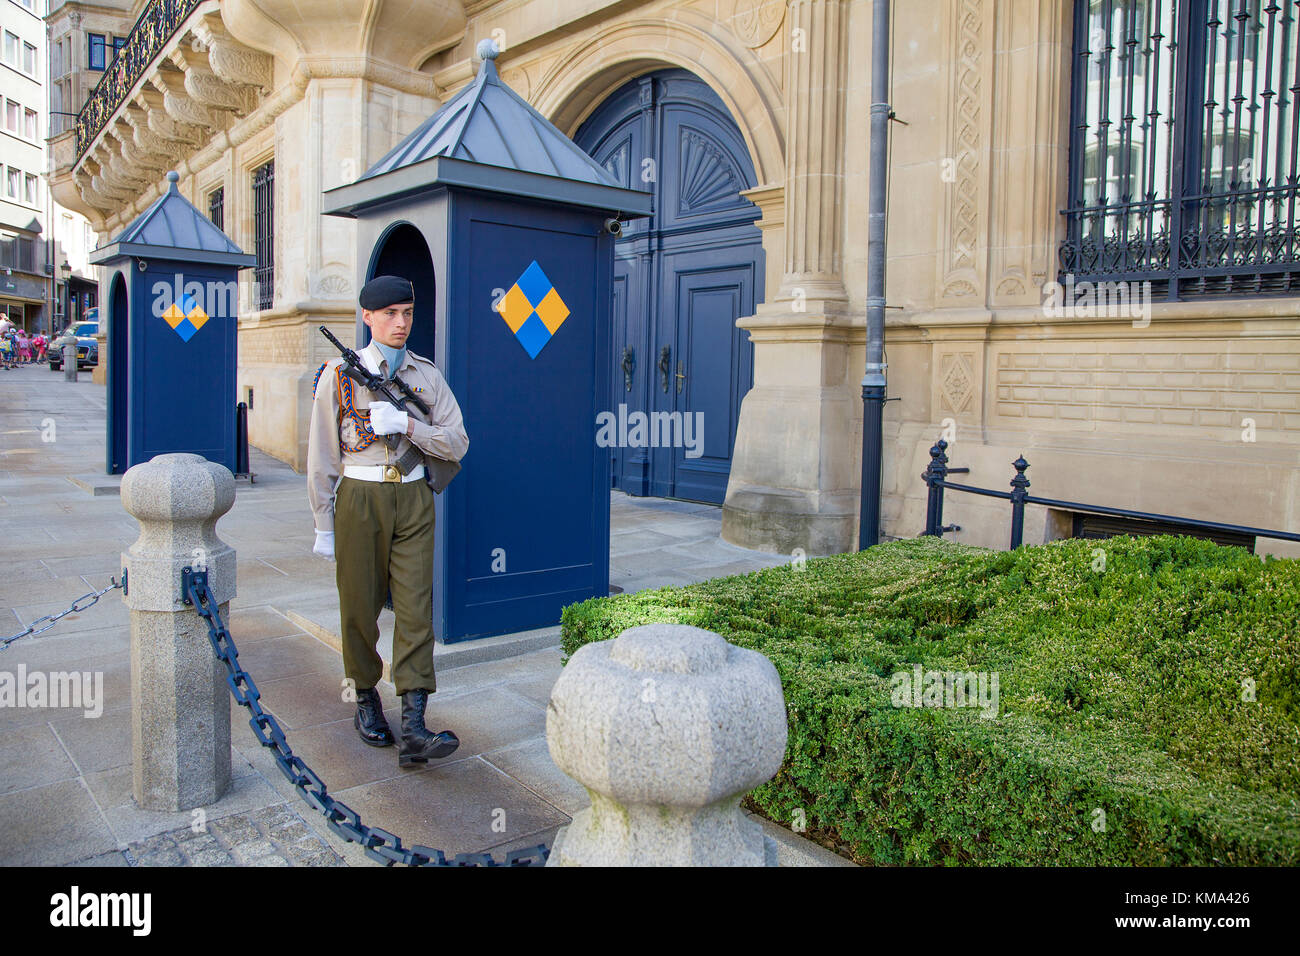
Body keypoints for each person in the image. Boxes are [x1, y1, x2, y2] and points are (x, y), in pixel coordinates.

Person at [307, 274, 470, 767]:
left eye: (408, 314)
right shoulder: (339, 374)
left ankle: (415, 723)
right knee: (358, 608)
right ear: (368, 317)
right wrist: (322, 522)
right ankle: (365, 700)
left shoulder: (428, 376)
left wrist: (410, 425)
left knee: (416, 610)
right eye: (390, 314)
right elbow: (321, 455)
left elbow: (458, 442)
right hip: (360, 497)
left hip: (414, 496)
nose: (401, 324)